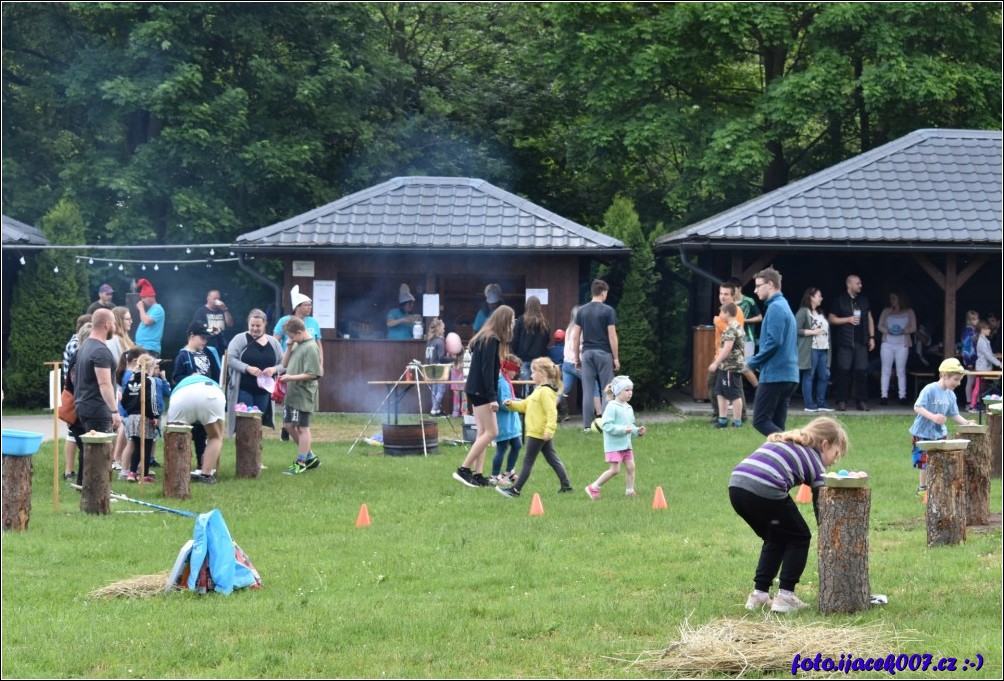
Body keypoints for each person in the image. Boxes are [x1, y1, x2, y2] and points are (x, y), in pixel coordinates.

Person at [729, 417, 848, 613]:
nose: (835, 460)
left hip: (737, 486)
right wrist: (825, 528)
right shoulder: (815, 460)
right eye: (836, 453)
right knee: (800, 537)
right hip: (765, 487)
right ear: (825, 444)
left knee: (775, 537)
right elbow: (821, 498)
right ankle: (785, 596)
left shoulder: (787, 441)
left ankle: (759, 594)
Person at [454, 304, 515, 488]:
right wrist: (493, 397)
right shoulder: (492, 339)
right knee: (492, 432)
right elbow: (487, 371)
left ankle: (478, 474)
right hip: (482, 391)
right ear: (504, 321)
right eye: (511, 321)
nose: (512, 324)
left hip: (475, 389)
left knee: (482, 433)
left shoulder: (484, 337)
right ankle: (464, 469)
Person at [497, 357, 573, 497]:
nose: (531, 375)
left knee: (528, 462)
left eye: (533, 372)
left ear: (542, 374)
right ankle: (566, 486)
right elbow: (525, 405)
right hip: (540, 432)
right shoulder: (539, 390)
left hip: (538, 433)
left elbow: (552, 412)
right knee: (553, 459)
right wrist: (511, 404)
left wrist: (549, 430)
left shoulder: (545, 392)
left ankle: (515, 490)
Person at [910, 358, 976, 495]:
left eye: (960, 380)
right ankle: (923, 488)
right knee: (924, 461)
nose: (958, 383)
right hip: (922, 433)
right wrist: (933, 417)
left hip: (940, 434)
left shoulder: (951, 395)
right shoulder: (930, 389)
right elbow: (917, 407)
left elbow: (954, 414)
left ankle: (938, 488)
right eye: (956, 379)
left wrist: (966, 422)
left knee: (940, 460)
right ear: (945, 375)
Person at [745, 268, 798, 437]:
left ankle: (795, 445)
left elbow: (774, 342)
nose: (755, 290)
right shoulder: (784, 305)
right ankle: (787, 451)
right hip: (789, 375)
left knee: (760, 420)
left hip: (776, 375)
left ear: (770, 284)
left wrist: (752, 362)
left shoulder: (776, 307)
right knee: (777, 425)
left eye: (758, 286)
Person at [72, 309, 122, 485]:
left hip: (84, 405)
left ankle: (83, 486)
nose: (115, 327)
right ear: (107, 325)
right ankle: (100, 490)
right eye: (114, 323)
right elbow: (104, 384)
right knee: (101, 453)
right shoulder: (100, 351)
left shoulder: (85, 345)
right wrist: (114, 411)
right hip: (97, 408)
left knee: (89, 450)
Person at [569, 279, 619, 432]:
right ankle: (606, 424)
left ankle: (587, 427)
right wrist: (616, 358)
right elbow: (612, 336)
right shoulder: (608, 310)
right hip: (604, 353)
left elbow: (575, 336)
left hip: (587, 353)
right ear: (603, 292)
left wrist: (576, 358)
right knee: (607, 390)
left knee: (588, 391)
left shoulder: (581, 311)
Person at [585, 375, 646, 499]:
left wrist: (637, 431)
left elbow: (630, 426)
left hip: (626, 444)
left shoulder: (628, 408)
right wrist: (624, 430)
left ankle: (630, 491)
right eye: (626, 390)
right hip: (614, 445)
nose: (630, 393)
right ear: (617, 391)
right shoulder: (612, 407)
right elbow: (607, 426)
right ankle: (593, 487)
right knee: (615, 470)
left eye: (631, 390)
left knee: (631, 466)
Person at [173, 321, 222, 473]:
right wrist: (189, 377)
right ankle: (182, 466)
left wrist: (219, 335)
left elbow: (220, 359)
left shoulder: (208, 352)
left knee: (203, 434)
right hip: (190, 398)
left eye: (206, 338)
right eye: (202, 338)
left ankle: (203, 466)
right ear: (192, 336)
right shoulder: (183, 356)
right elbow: (176, 377)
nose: (205, 341)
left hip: (207, 397)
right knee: (189, 433)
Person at [225, 309, 283, 437]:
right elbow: (230, 359)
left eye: (258, 326)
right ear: (248, 324)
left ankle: (255, 446)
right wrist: (247, 368)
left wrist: (274, 369)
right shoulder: (239, 339)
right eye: (252, 325)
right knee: (246, 421)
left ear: (264, 325)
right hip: (243, 388)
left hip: (264, 391)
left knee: (257, 422)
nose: (255, 328)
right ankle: (244, 445)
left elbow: (284, 364)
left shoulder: (273, 342)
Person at [279, 316, 323, 475]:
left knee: (303, 428)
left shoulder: (311, 347)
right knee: (288, 425)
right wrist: (289, 347)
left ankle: (301, 462)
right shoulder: (297, 343)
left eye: (291, 336)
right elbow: (284, 364)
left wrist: (290, 378)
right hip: (292, 392)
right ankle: (310, 457)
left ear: (299, 332)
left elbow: (313, 374)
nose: (290, 339)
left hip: (304, 394)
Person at [166, 373, 227, 485]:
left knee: (175, 434)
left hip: (182, 395)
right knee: (215, 437)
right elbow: (220, 433)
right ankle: (206, 474)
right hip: (212, 394)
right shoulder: (213, 384)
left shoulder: (183, 383)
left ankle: (176, 473)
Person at [120, 352, 170, 483]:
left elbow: (124, 400)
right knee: (146, 447)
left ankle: (131, 473)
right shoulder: (150, 380)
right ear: (150, 367)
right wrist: (155, 415)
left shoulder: (131, 380)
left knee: (137, 445)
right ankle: (144, 475)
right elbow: (151, 399)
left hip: (132, 417)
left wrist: (131, 410)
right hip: (145, 417)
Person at [828, 274, 875, 411]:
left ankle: (862, 401)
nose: (860, 285)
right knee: (843, 372)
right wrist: (847, 319)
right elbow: (831, 318)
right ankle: (841, 401)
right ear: (849, 284)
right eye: (858, 283)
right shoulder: (840, 300)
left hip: (861, 342)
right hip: (845, 342)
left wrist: (872, 337)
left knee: (862, 372)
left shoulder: (864, 300)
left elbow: (870, 318)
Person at [61, 314, 91, 481]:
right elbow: (77, 383)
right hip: (79, 404)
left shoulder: (80, 353)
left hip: (79, 402)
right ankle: (81, 480)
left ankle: (81, 480)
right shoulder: (79, 354)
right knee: (84, 444)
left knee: (83, 444)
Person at [795, 287, 833, 413]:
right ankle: (809, 404)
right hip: (811, 348)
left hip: (823, 348)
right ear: (811, 297)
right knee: (809, 375)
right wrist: (812, 332)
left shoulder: (820, 312)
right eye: (819, 296)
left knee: (825, 375)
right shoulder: (803, 312)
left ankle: (821, 402)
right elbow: (796, 329)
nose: (821, 298)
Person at [708, 302, 746, 428]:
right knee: (720, 392)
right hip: (725, 366)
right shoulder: (739, 326)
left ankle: (737, 422)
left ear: (727, 313)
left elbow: (727, 348)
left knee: (734, 394)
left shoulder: (731, 329)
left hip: (731, 367)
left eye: (721, 312)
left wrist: (715, 363)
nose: (719, 315)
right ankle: (722, 420)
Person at [877, 291, 917, 406]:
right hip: (887, 344)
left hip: (902, 345)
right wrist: (888, 331)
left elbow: (913, 327)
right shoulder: (886, 311)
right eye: (891, 298)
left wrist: (903, 331)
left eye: (893, 298)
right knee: (886, 370)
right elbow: (879, 326)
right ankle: (884, 395)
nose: (891, 301)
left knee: (901, 370)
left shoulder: (909, 312)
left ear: (900, 299)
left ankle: (902, 396)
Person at [490, 355, 523, 485]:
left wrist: (519, 402)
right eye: (516, 369)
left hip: (510, 424)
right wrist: (519, 404)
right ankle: (495, 476)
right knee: (502, 448)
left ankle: (509, 472)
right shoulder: (503, 383)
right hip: (504, 423)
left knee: (517, 445)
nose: (516, 373)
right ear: (509, 368)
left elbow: (511, 399)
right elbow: (504, 403)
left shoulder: (506, 380)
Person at [512, 295, 550, 395]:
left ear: (526, 306)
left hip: (524, 358)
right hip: (539, 359)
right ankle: (538, 403)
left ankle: (526, 403)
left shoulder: (520, 321)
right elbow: (547, 340)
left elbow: (514, 340)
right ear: (539, 307)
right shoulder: (544, 323)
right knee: (538, 385)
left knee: (525, 385)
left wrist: (517, 354)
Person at [192, 289, 234, 355]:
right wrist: (213, 330)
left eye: (218, 299)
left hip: (222, 346)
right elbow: (198, 329)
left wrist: (225, 310)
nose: (217, 301)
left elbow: (230, 324)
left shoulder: (222, 311)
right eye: (214, 299)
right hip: (207, 346)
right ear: (208, 299)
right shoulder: (201, 311)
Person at [971, 321, 1002, 409]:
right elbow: (988, 355)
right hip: (981, 368)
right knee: (978, 387)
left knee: (981, 387)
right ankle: (972, 406)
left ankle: (978, 404)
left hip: (984, 367)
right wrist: (999, 364)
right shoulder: (982, 341)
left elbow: (990, 354)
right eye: (988, 329)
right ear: (982, 330)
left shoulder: (984, 340)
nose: (989, 330)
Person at [134, 278, 166, 357]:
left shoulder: (158, 309)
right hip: (143, 348)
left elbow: (147, 321)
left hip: (150, 348)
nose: (142, 300)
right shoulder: (151, 310)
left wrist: (141, 308)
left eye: (144, 297)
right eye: (142, 298)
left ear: (151, 297)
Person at [424, 318, 449, 415]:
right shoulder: (439, 341)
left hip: (430, 368)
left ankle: (436, 410)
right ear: (438, 328)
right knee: (441, 389)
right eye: (443, 328)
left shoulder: (430, 341)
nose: (444, 330)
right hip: (438, 368)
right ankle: (434, 409)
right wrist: (453, 359)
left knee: (434, 389)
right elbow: (441, 358)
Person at [960, 310, 980, 412]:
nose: (977, 321)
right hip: (970, 361)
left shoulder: (975, 331)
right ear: (969, 320)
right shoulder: (968, 332)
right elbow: (966, 348)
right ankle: (969, 403)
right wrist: (968, 362)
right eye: (974, 319)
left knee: (974, 382)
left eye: (977, 318)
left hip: (975, 359)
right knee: (970, 381)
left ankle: (974, 402)